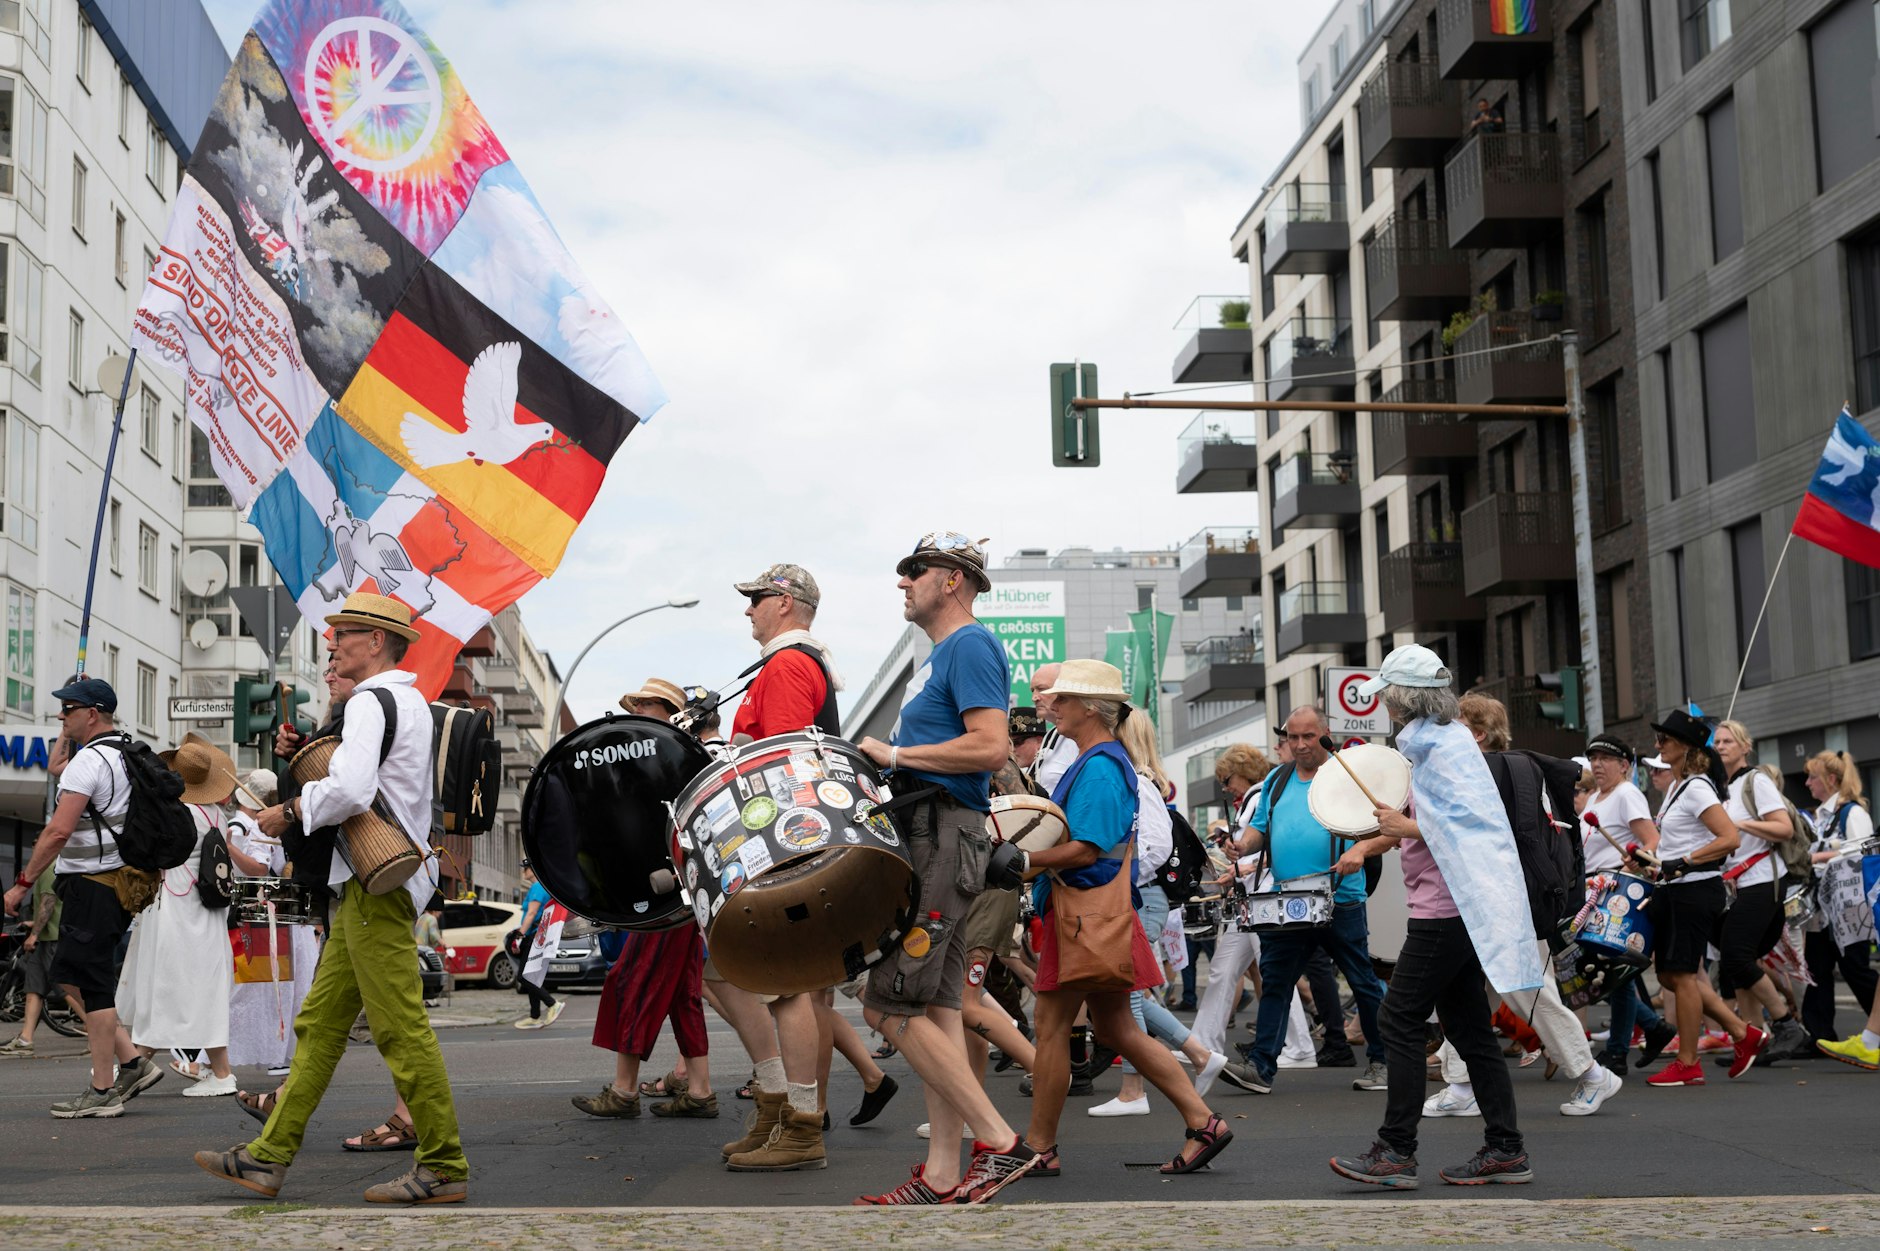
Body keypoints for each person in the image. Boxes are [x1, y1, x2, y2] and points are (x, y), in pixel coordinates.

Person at [196, 591, 467, 1204]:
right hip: (378, 882)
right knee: (319, 1026)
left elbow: (349, 789)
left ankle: (445, 1165)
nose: (331, 642)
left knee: (400, 1029)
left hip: (375, 890)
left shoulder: (372, 700)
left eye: (343, 633)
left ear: (375, 642)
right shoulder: (408, 699)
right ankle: (267, 1158)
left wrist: (289, 810)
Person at [851, 532, 1035, 1205]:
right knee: (937, 1007)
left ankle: (1001, 1141)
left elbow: (989, 746)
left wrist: (894, 757)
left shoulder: (970, 645)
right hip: (934, 836)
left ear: (953, 579)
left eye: (914, 570)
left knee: (884, 1003)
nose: (904, 581)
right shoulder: (942, 655)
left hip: (940, 837)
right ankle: (942, 1172)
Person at [1012, 660, 1232, 1176]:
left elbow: (1088, 849)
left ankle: (1039, 1147)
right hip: (1098, 917)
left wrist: (1024, 860)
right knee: (1117, 1027)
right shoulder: (1101, 760)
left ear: (1091, 708)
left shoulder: (1100, 765)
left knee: (1051, 1027)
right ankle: (1204, 1123)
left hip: (1083, 916)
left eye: (1062, 699)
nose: (1052, 705)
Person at [1329, 645, 1533, 1188]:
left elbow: (1473, 828)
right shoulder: (1439, 743)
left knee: (1399, 1019)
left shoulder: (1440, 747)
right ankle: (1505, 1149)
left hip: (1447, 906)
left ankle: (1396, 1152)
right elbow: (1447, 823)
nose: (1384, 708)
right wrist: (1389, 834)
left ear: (1402, 700)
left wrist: (1400, 827)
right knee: (1469, 1031)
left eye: (1387, 698)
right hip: (1456, 904)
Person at [1418, 696, 1622, 1117]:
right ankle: (1461, 1086)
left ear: (1477, 734)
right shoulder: (1514, 766)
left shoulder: (1491, 771)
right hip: (1512, 899)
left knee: (1527, 991)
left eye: (1455, 726)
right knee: (1471, 994)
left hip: (1506, 902)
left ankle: (1591, 1074)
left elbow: (1472, 833)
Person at [713, 563, 853, 1170]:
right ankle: (781, 1110)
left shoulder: (790, 664)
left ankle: (800, 1125)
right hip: (790, 840)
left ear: (786, 603)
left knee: (791, 986)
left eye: (757, 599)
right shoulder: (791, 661)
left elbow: (787, 761)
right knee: (766, 984)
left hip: (784, 840)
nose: (749, 610)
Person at [3, 677, 165, 1117]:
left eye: (68, 708)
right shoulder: (123, 754)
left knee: (91, 983)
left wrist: (21, 883)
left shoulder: (88, 762)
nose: (61, 715)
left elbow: (58, 830)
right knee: (71, 973)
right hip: (115, 883)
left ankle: (102, 1091)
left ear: (92, 713)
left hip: (94, 884)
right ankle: (132, 1062)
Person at [1088, 710, 1251, 1116]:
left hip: (1141, 896)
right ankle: (1198, 1054)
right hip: (1141, 895)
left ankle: (1133, 1089)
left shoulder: (1138, 782)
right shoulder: (1138, 780)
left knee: (1128, 998)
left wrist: (1118, 879)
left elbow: (1155, 849)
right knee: (1133, 994)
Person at [577, 679, 716, 1124]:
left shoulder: (673, 758)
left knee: (629, 980)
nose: (635, 709)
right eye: (635, 704)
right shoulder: (668, 757)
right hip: (677, 890)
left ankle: (623, 1091)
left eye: (644, 704)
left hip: (666, 893)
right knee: (681, 994)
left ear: (668, 711)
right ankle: (699, 1091)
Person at [1235, 706, 1391, 1094]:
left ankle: (1384, 1061)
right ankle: (1260, 1067)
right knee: (1276, 982)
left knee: (1362, 982)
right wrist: (1240, 846)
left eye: (1308, 736)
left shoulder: (1348, 776)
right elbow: (1259, 832)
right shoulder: (1277, 778)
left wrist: (1361, 851)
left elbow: (1392, 830)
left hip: (1342, 900)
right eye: (1293, 737)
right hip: (1288, 901)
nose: (1300, 745)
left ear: (1325, 735)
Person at [1638, 709, 1768, 1087]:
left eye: (1663, 739)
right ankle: (1744, 1033)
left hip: (1694, 890)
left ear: (1685, 747)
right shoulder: (1678, 788)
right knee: (1669, 974)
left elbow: (1729, 838)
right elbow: (1681, 841)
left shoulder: (1696, 786)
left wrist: (1684, 861)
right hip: (1677, 888)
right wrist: (1654, 859)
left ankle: (1688, 1061)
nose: (1657, 744)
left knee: (1680, 974)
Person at [116, 734, 238, 1096]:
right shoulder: (217, 815)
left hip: (175, 909)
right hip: (207, 912)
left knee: (164, 985)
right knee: (201, 990)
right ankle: (218, 1072)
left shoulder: (177, 813)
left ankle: (136, 1062)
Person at [1711, 720, 1810, 1062]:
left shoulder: (1756, 781)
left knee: (1736, 955)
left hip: (1762, 881)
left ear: (1744, 747)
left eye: (1728, 741)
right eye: (1717, 741)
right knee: (1736, 960)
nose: (1721, 746)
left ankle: (1786, 1025)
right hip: (1737, 887)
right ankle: (1755, 1039)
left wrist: (1738, 824)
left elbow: (1782, 828)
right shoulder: (1721, 787)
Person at [1577, 735, 1674, 1075]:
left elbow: (1652, 842)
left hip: (1616, 892)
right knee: (1607, 974)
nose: (1598, 764)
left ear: (1624, 766)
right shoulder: (1594, 800)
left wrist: (1633, 863)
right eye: (1594, 758)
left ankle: (1619, 1052)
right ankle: (1653, 1028)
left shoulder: (1626, 794)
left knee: (1611, 972)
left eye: (1606, 758)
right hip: (1595, 890)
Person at [226, 768, 316, 1076]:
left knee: (269, 986)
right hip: (296, 913)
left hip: (276, 918)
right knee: (293, 985)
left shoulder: (262, 827)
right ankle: (287, 1053)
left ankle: (273, 1052)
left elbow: (259, 871)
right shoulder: (301, 821)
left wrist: (226, 847)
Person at [1802, 751, 1876, 1050]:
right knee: (1816, 967)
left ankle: (1877, 1030)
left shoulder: (1853, 813)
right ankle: (1819, 1034)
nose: (1807, 783)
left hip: (1849, 907)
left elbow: (1862, 854)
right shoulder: (1823, 814)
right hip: (1824, 905)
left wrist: (1818, 857)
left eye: (1812, 777)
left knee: (1854, 967)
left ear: (1831, 780)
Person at [0, 861, 77, 1057]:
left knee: (64, 988)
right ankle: (26, 1039)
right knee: (34, 987)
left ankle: (98, 1032)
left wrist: (34, 934)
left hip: (52, 937)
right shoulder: (48, 867)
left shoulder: (50, 867)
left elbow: (49, 902)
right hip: (45, 937)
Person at [513, 865, 564, 1029]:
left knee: (523, 976)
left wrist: (519, 936)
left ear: (534, 869)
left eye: (526, 868)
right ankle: (534, 1016)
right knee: (530, 974)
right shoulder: (542, 886)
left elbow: (531, 913)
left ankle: (552, 1004)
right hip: (537, 935)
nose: (523, 872)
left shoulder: (537, 886)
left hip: (533, 935)